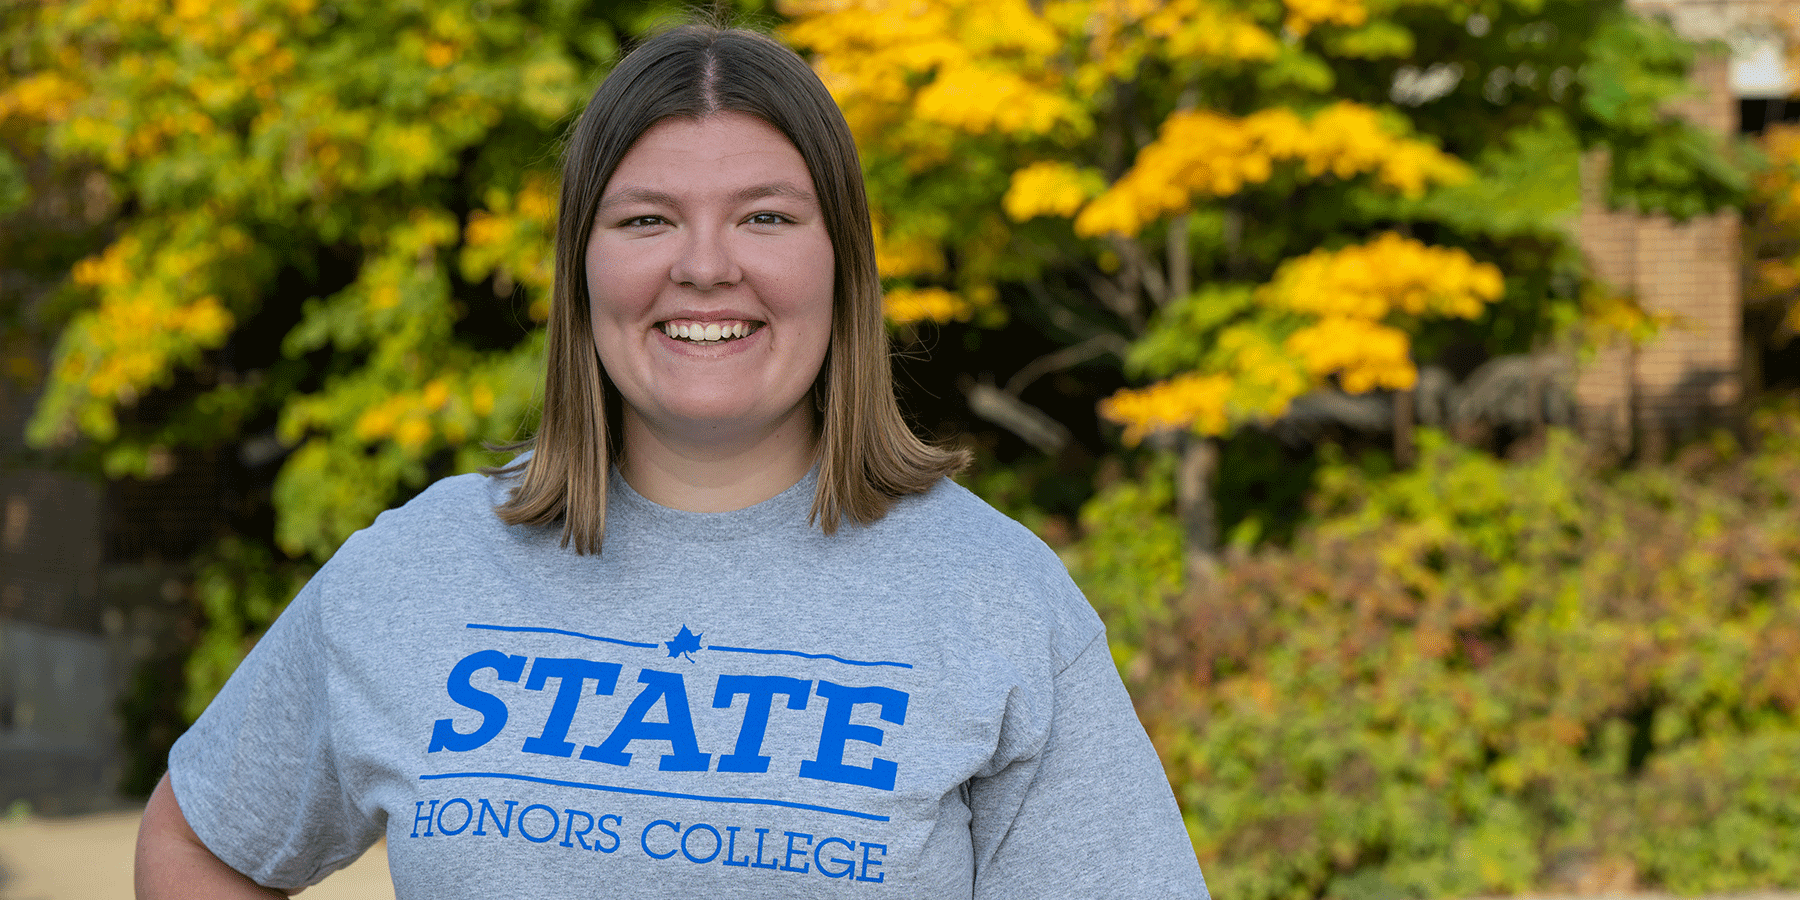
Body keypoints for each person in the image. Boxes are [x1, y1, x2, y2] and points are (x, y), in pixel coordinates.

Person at [134, 23, 1208, 899]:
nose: (705, 266)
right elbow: (198, 846)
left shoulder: (996, 598)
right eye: (648, 218)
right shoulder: (417, 571)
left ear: (841, 266)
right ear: (583, 269)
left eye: (766, 217)